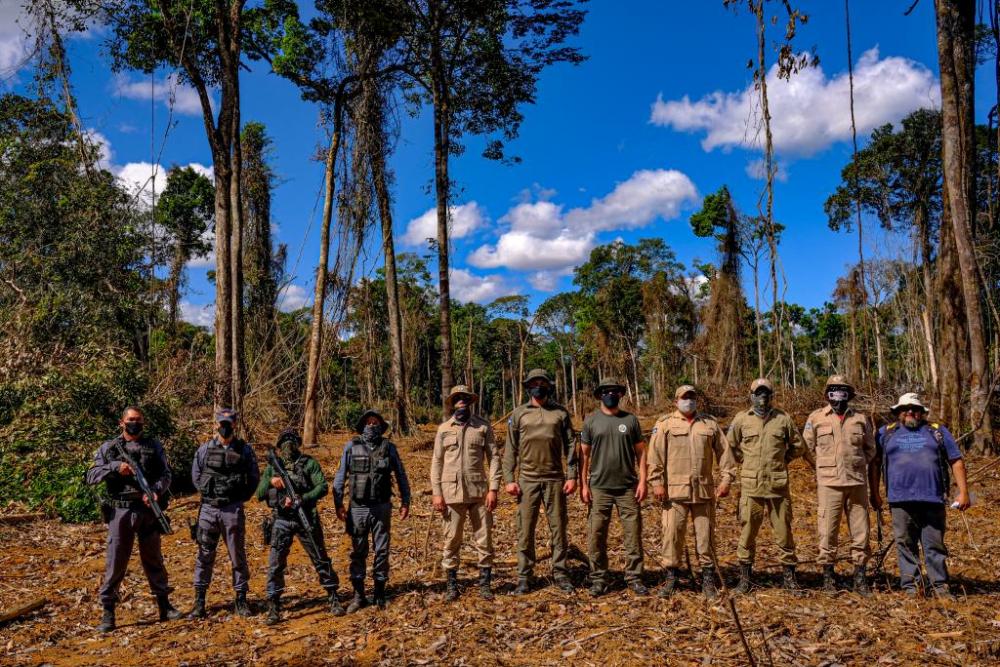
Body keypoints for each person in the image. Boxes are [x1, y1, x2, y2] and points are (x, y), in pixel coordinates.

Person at [86, 406, 181, 632]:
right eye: (130, 419)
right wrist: (115, 467)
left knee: (153, 559)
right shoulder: (109, 448)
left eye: (138, 420)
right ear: (122, 422)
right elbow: (91, 475)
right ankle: (108, 612)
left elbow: (165, 474)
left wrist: (156, 491)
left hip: (147, 509)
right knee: (116, 561)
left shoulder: (153, 446)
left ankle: (164, 606)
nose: (134, 423)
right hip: (120, 510)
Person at [874, 393, 970, 599]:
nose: (910, 412)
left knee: (934, 546)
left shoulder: (937, 432)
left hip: (933, 499)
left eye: (914, 408)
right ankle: (911, 589)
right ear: (898, 412)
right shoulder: (885, 433)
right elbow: (873, 464)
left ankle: (940, 587)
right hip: (900, 500)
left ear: (921, 412)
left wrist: (963, 492)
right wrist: (874, 492)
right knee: (905, 544)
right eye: (905, 408)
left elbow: (956, 460)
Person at [648, 385, 735, 599]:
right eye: (685, 398)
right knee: (672, 535)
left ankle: (707, 579)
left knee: (705, 537)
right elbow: (655, 456)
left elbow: (725, 454)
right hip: (674, 493)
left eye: (692, 398)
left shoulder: (709, 424)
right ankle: (671, 578)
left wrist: (727, 479)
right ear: (676, 402)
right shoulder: (665, 424)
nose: (689, 401)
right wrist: (656, 482)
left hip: (703, 492)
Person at [257, 428, 344, 624]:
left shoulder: (309, 463)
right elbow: (260, 494)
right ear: (279, 446)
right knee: (275, 564)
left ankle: (333, 596)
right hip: (281, 520)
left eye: (292, 440)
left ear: (298, 443)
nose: (288, 444)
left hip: (306, 517)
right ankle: (273, 604)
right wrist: (272, 482)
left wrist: (302, 499)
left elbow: (322, 486)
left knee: (320, 558)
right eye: (284, 441)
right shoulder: (273, 468)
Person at [502, 368, 578, 594]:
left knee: (558, 528)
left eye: (542, 383)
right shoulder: (518, 414)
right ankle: (525, 576)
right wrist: (509, 479)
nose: (538, 386)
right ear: (527, 387)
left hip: (555, 479)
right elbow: (510, 449)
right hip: (527, 480)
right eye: (534, 383)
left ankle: (561, 573)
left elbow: (571, 446)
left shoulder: (560, 413)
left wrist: (572, 475)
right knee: (525, 530)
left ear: (548, 386)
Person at [728, 378, 806, 593]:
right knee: (748, 532)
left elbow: (798, 446)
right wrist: (744, 461)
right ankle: (745, 579)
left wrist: (783, 459)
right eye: (758, 393)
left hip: (777, 487)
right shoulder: (742, 419)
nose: (762, 397)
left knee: (784, 532)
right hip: (751, 487)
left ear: (771, 395)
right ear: (751, 395)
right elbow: (730, 445)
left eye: (766, 393)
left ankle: (789, 579)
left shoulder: (783, 419)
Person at [802, 376, 877, 595]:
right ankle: (828, 578)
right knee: (827, 531)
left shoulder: (860, 419)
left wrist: (858, 464)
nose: (838, 394)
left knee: (861, 531)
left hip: (856, 483)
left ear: (849, 393)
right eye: (833, 390)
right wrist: (822, 466)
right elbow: (807, 448)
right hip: (829, 484)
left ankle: (860, 577)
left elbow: (871, 449)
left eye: (842, 390)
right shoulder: (816, 418)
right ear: (827, 394)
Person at [333, 410, 411, 611]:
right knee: (359, 551)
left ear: (381, 426)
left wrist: (405, 501)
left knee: (382, 550)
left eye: (375, 422)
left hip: (381, 507)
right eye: (368, 422)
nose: (372, 425)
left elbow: (401, 475)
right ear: (362, 425)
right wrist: (338, 503)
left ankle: (379, 592)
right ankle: (359, 596)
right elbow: (340, 476)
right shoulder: (351, 446)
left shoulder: (389, 448)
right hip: (357, 508)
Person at [431, 386, 502, 601]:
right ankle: (452, 585)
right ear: (453, 403)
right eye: (457, 399)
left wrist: (493, 488)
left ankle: (485, 585)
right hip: (451, 494)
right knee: (451, 539)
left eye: (465, 398)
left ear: (470, 402)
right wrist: (437, 493)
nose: (461, 402)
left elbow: (494, 458)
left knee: (485, 539)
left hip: (479, 493)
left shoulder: (482, 427)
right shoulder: (444, 429)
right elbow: (437, 461)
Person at [579, 378, 648, 597]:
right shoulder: (591, 422)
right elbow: (584, 456)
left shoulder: (630, 420)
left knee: (633, 534)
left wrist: (643, 481)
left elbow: (641, 453)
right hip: (599, 488)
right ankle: (598, 578)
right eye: (606, 391)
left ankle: (635, 577)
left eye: (615, 391)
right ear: (600, 395)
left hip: (628, 487)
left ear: (620, 395)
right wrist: (583, 484)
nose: (611, 395)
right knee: (596, 534)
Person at [189, 408, 260, 618]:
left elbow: (254, 478)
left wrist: (239, 498)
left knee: (237, 555)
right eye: (222, 423)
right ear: (216, 424)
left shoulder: (244, 450)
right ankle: (200, 601)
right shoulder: (204, 450)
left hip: (232, 509)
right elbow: (196, 476)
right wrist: (209, 494)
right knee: (204, 555)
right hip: (209, 510)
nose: (225, 427)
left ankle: (241, 599)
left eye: (229, 423)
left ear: (235, 425)